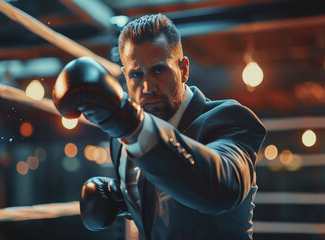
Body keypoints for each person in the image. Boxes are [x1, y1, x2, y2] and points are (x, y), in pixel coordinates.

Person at [52, 13, 266, 240]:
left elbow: (223, 189)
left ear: (183, 69)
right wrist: (121, 197)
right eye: (136, 74)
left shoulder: (230, 120)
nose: (147, 87)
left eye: (158, 70)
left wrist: (129, 123)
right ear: (125, 76)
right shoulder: (121, 138)